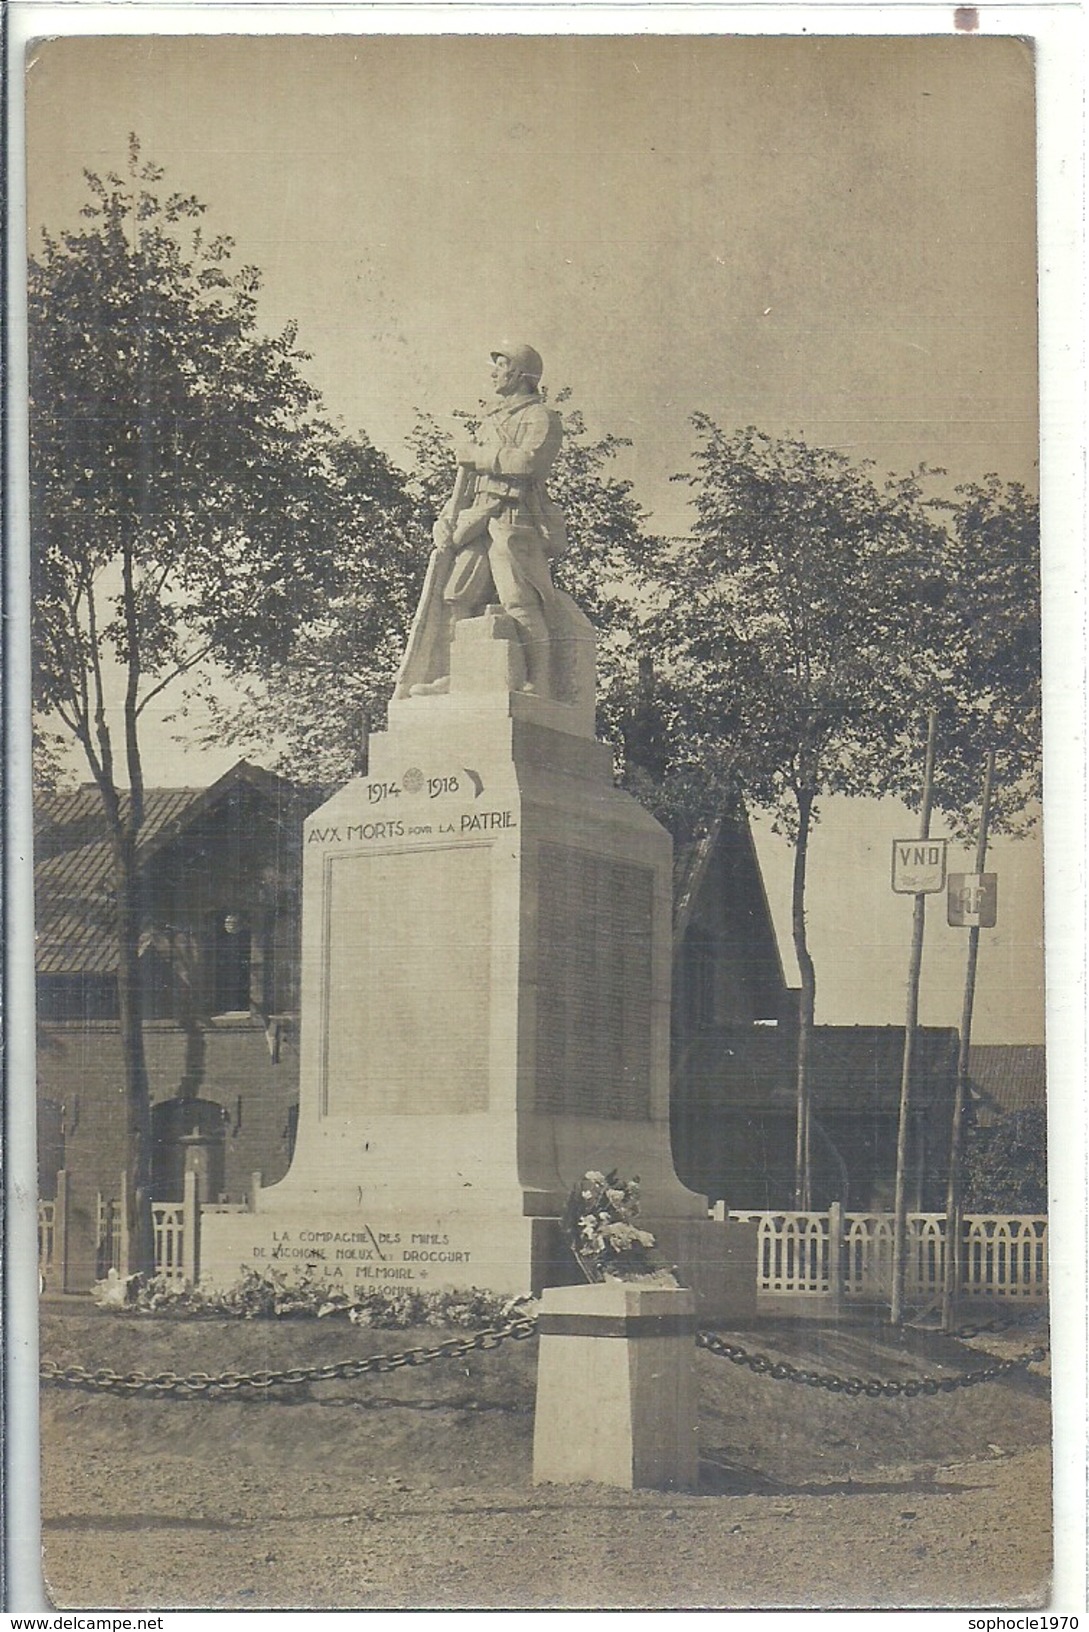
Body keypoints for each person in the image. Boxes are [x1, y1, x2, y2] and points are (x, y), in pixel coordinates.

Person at [405, 343, 567, 698]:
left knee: (518, 600)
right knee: (456, 595)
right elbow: (466, 484)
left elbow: (529, 464)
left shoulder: (540, 418)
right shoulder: (489, 421)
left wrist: (478, 455)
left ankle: (539, 680)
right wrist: (446, 518)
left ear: (521, 373)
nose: (493, 372)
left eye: (501, 365)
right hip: (475, 517)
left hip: (514, 516)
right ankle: (457, 675)